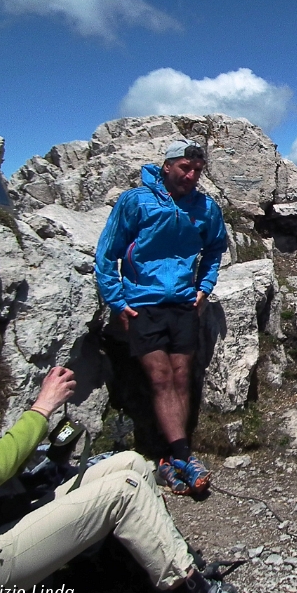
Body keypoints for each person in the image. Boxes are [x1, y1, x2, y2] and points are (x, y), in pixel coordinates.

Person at [0, 312, 267, 593]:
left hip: (2, 525)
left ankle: (158, 576)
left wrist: (43, 470)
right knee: (123, 489)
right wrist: (42, 406)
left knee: (130, 462)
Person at [95, 140, 227, 496]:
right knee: (160, 376)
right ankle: (181, 455)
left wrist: (205, 285)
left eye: (197, 170)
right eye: (185, 167)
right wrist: (117, 300)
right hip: (142, 302)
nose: (191, 175)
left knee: (182, 375)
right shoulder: (136, 201)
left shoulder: (205, 207)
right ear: (166, 166)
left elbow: (216, 247)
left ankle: (172, 457)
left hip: (184, 302)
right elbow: (107, 253)